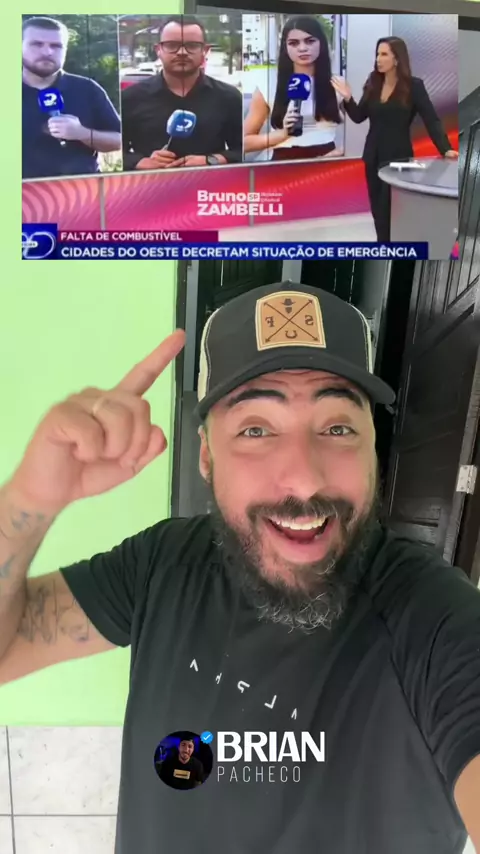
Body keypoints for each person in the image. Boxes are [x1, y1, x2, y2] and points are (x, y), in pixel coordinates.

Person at [0, 283, 479, 854]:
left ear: (373, 444)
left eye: (337, 428)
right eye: (256, 429)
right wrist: (31, 497)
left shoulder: (437, 620)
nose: (304, 478)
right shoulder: (163, 563)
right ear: (206, 456)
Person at [331, 36, 458, 242]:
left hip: (398, 158)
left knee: (391, 209)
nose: (378, 59)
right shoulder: (373, 83)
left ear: (397, 59)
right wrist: (347, 98)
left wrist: (445, 148)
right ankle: (383, 245)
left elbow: (431, 119)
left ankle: (395, 247)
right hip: (373, 156)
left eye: (384, 54)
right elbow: (359, 116)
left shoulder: (414, 86)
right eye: (377, 54)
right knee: (378, 210)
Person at [121, 15, 242, 171]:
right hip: (151, 184)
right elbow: (116, 151)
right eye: (172, 45)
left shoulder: (229, 97)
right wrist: (139, 162)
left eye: (192, 45)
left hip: (210, 184)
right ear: (158, 50)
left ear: (205, 51)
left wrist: (211, 160)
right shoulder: (131, 98)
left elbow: (243, 151)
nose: (182, 52)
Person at [22, 16, 121, 180]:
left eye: (56, 46)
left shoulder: (87, 88)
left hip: (81, 190)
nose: (47, 52)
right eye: (37, 44)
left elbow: (118, 141)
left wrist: (81, 133)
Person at [243, 16, 343, 162]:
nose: (302, 48)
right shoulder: (269, 84)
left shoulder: (338, 84)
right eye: (294, 43)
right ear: (285, 47)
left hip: (328, 160)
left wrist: (341, 151)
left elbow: (364, 130)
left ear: (321, 43)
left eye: (310, 41)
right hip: (283, 161)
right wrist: (283, 134)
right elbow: (245, 142)